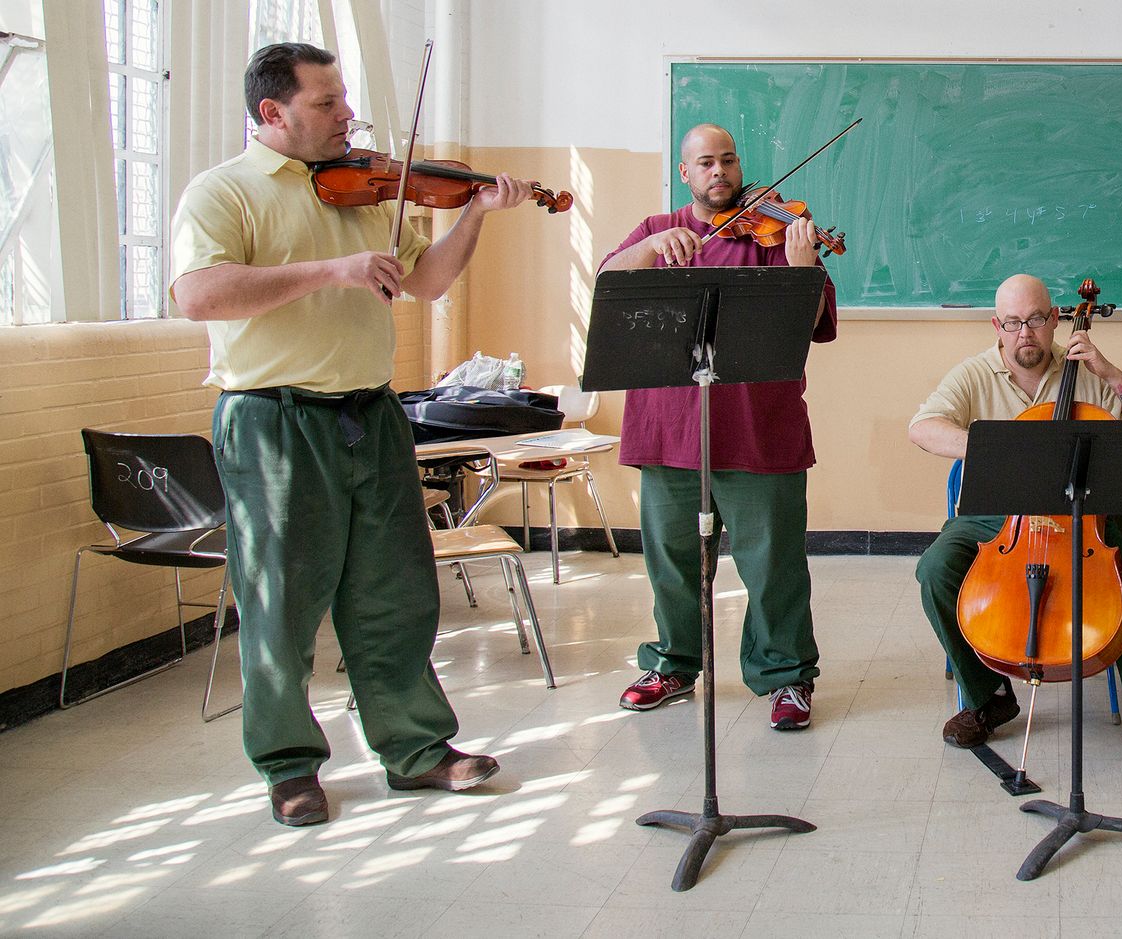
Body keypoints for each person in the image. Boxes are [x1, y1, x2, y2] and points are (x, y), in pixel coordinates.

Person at [169, 43, 537, 826]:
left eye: (346, 101)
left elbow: (429, 281)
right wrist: (330, 271)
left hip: (370, 414)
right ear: (273, 112)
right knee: (282, 603)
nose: (348, 117)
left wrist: (474, 212)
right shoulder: (222, 192)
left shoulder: (363, 193)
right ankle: (289, 765)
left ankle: (415, 748)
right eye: (328, 103)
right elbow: (198, 295)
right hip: (274, 418)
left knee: (395, 593)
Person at [909, 274, 1122, 790]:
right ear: (997, 327)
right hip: (998, 517)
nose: (1024, 333)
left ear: (1055, 319)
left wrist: (1110, 371)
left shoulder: (1087, 372)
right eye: (1012, 323)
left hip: (1081, 517)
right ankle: (990, 698)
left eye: (1035, 319)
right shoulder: (974, 373)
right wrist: (996, 452)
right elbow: (922, 427)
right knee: (935, 568)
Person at [600, 124, 837, 730]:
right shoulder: (657, 230)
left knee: (773, 563)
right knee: (672, 561)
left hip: (761, 430)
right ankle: (674, 664)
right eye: (705, 163)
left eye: (728, 160)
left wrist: (803, 269)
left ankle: (785, 677)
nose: (719, 172)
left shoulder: (778, 233)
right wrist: (652, 249)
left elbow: (809, 327)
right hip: (668, 432)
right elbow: (608, 279)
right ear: (686, 173)